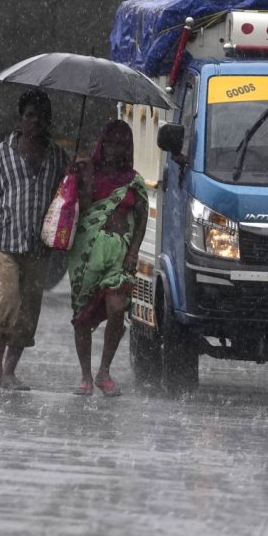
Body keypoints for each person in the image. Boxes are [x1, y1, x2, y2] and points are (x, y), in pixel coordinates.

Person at [0, 89, 69, 391]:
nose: (35, 122)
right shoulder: (1, 153)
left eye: (41, 117)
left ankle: (11, 371)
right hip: (5, 241)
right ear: (21, 119)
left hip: (39, 246)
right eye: (30, 116)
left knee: (28, 310)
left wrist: (76, 174)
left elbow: (68, 201)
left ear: (49, 121)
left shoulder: (58, 157)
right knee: (5, 302)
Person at [67, 120, 148, 397]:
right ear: (103, 143)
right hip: (87, 253)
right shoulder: (89, 171)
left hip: (119, 255)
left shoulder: (134, 181)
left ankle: (104, 371)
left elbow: (141, 217)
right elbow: (84, 207)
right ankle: (86, 376)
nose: (115, 150)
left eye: (121, 144)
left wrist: (134, 251)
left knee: (117, 309)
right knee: (82, 318)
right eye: (111, 143)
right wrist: (81, 176)